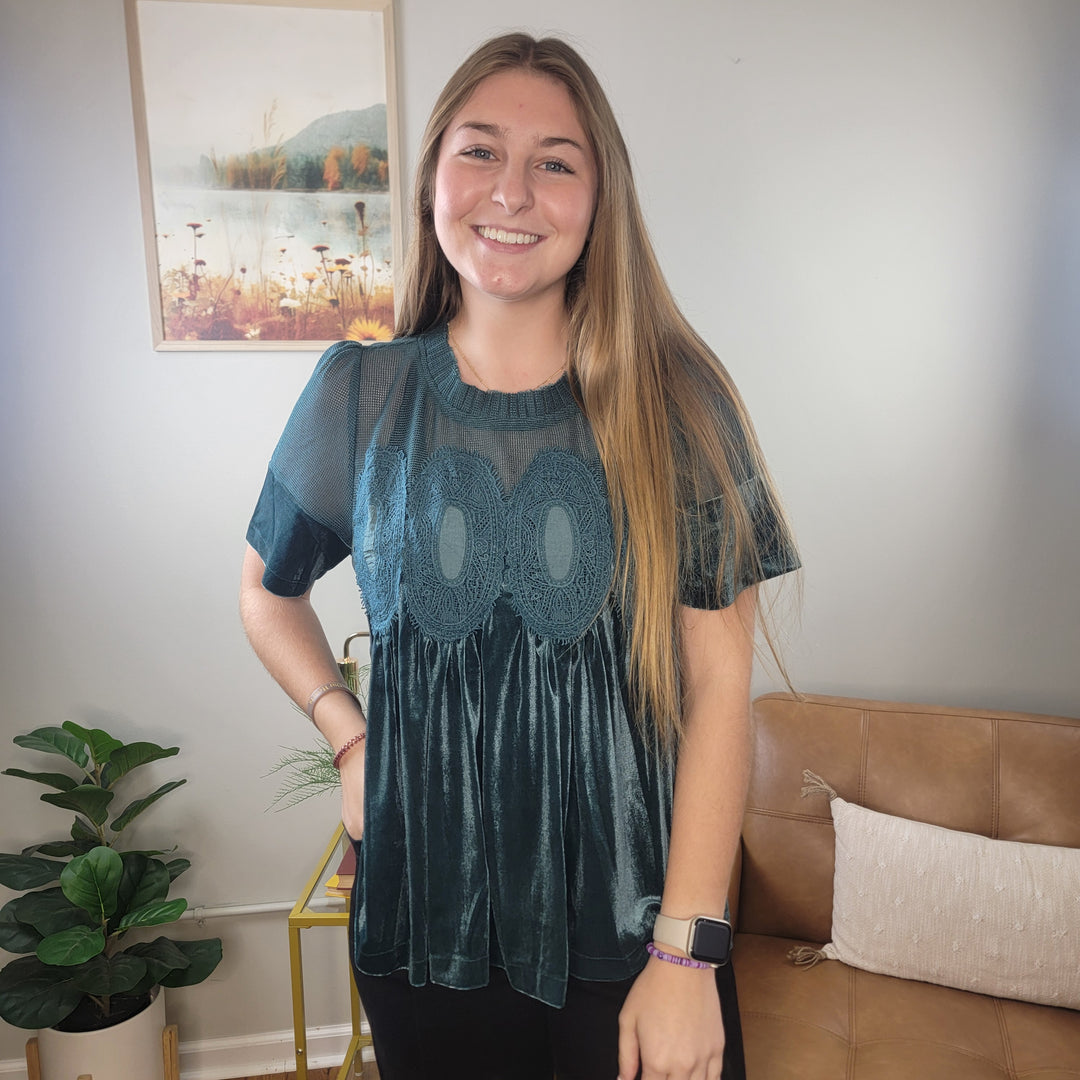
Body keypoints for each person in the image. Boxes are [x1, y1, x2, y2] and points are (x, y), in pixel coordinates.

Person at [240, 32, 799, 1080]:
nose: (512, 192)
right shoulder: (358, 396)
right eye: (479, 152)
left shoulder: (678, 397)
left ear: (599, 200)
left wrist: (687, 954)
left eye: (556, 162)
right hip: (422, 936)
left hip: (636, 939)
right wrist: (350, 739)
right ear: (432, 179)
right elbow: (266, 598)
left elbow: (722, 686)